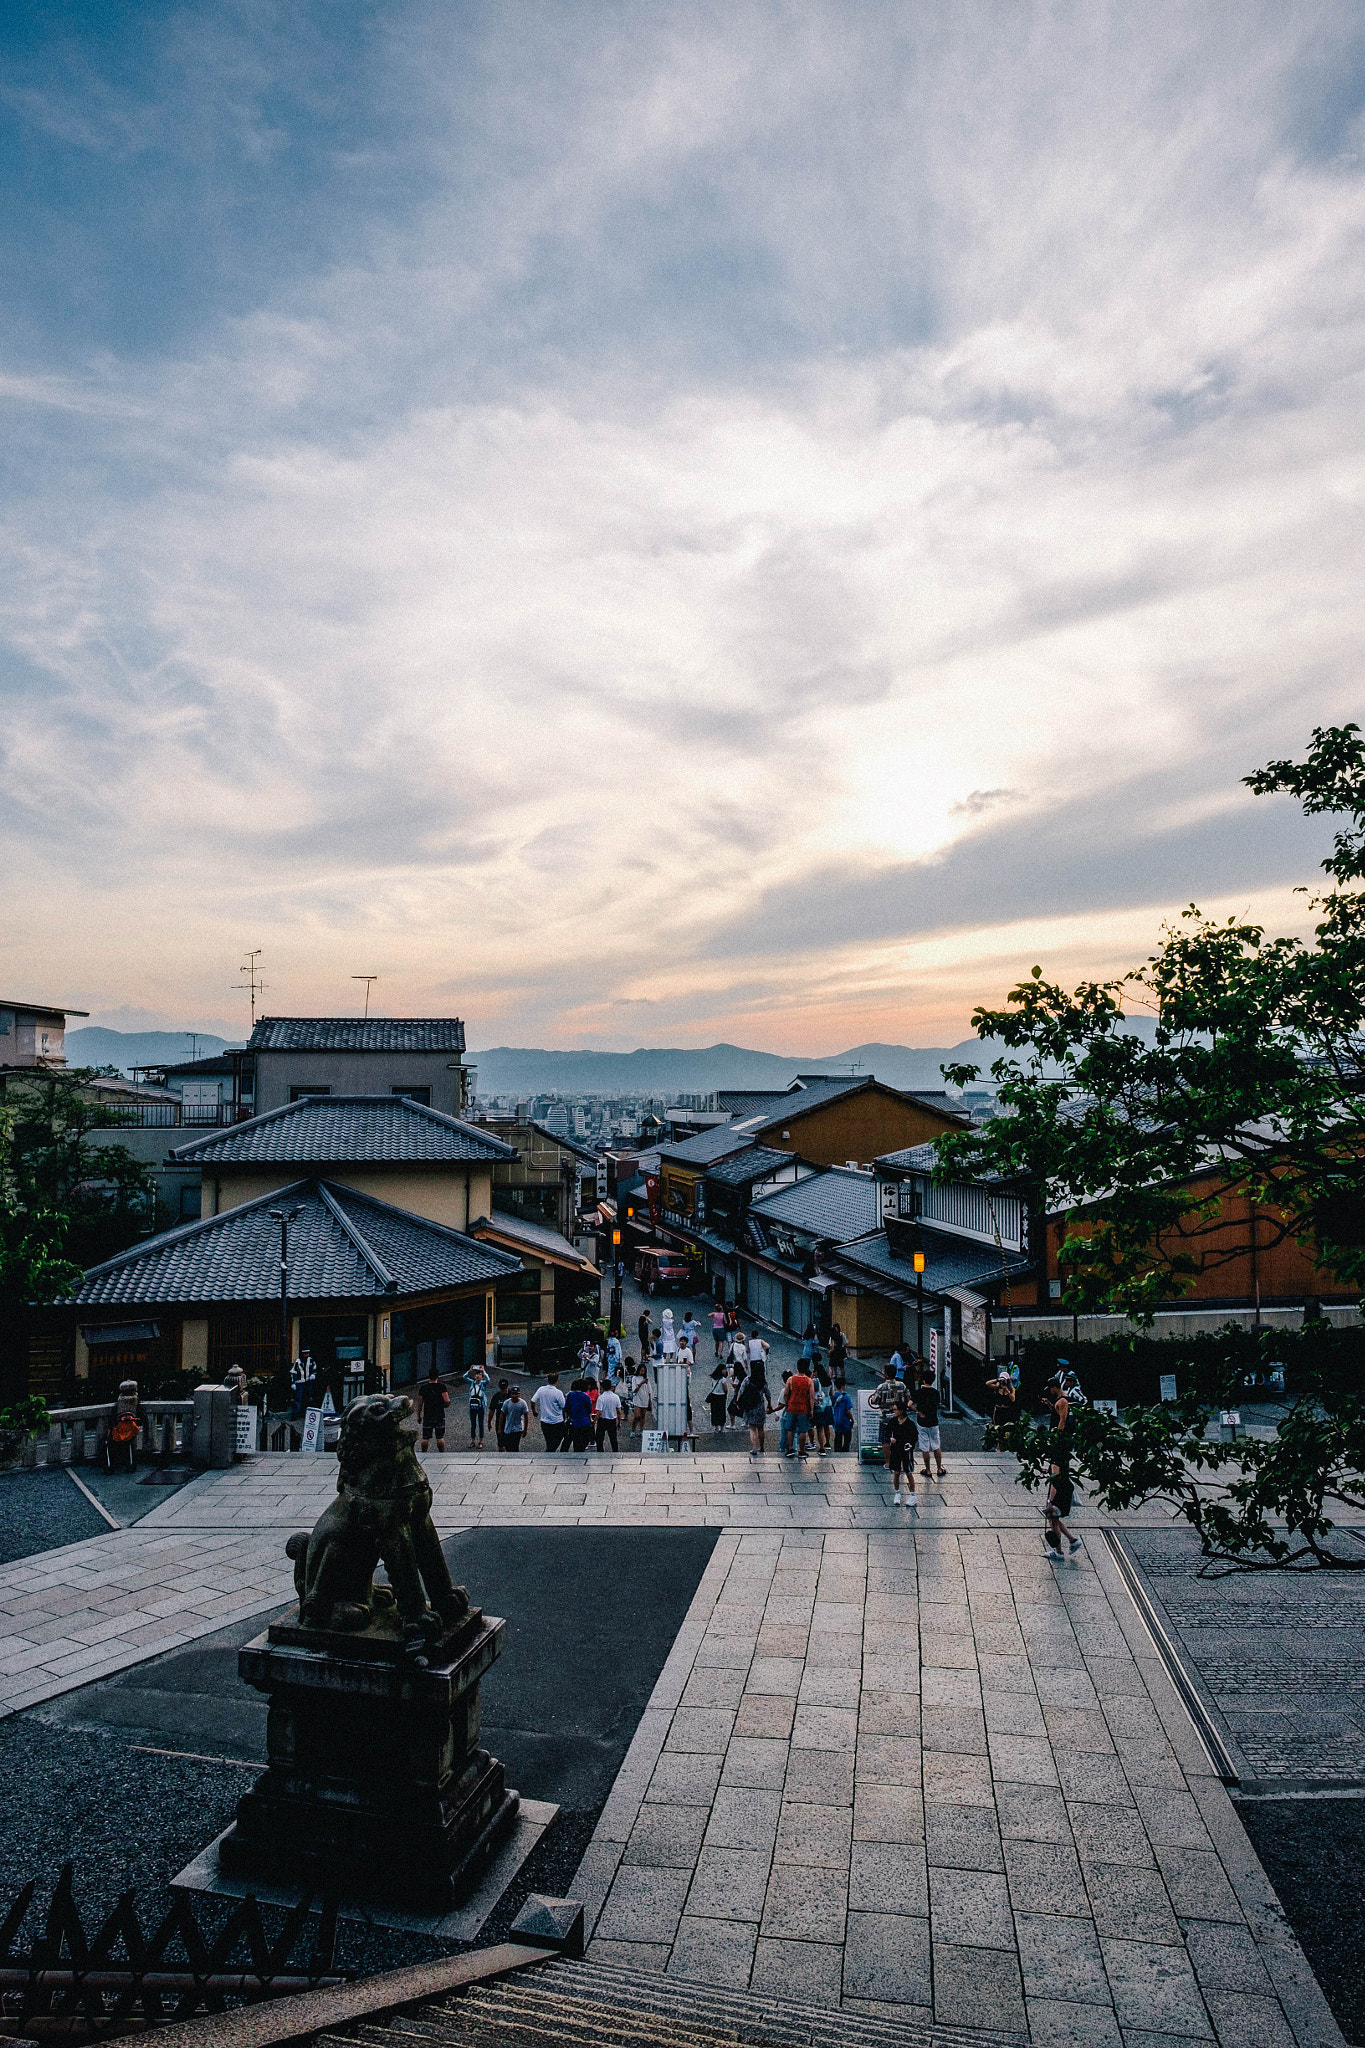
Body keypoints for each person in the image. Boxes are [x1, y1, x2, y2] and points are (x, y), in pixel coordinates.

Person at [885, 1391, 919, 1509]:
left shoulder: (910, 1424)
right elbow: (887, 1431)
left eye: (895, 1409)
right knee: (896, 1472)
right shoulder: (893, 1421)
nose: (894, 1412)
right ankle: (897, 1492)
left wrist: (910, 1445)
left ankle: (913, 1494)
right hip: (895, 1449)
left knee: (908, 1471)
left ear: (901, 1410)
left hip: (905, 1450)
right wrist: (890, 1438)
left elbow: (915, 1437)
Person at [740, 1356, 773, 1459]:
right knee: (760, 1428)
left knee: (752, 1428)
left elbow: (741, 1392)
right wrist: (769, 1404)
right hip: (759, 1406)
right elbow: (768, 1394)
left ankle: (754, 1447)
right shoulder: (762, 1382)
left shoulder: (747, 1380)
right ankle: (762, 1447)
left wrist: (739, 1403)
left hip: (749, 1406)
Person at [915, 1364, 946, 1477]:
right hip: (933, 1421)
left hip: (922, 1422)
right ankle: (939, 1468)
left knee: (925, 1447)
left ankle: (927, 1470)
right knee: (936, 1445)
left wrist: (917, 1411)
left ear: (923, 1379)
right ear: (933, 1380)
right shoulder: (936, 1393)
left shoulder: (919, 1392)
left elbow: (909, 1404)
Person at [784, 1361, 816, 1461]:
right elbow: (811, 1397)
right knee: (803, 1430)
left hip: (792, 1407)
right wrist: (811, 1410)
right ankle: (801, 1450)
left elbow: (786, 1393)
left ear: (797, 1367)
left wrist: (787, 1403)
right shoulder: (809, 1381)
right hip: (803, 1408)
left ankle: (790, 1449)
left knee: (790, 1429)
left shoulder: (790, 1379)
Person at [531, 1371, 567, 1452]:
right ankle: (552, 1452)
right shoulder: (558, 1392)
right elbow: (563, 1405)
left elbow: (533, 1401)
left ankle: (550, 1453)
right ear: (557, 1381)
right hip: (557, 1421)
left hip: (545, 1421)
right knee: (562, 1437)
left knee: (549, 1440)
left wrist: (534, 1411)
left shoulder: (541, 1389)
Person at [418, 1366, 450, 1453]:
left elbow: (420, 1402)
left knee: (425, 1437)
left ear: (429, 1376)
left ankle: (423, 1453)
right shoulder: (441, 1387)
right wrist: (444, 1406)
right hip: (439, 1413)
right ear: (438, 1376)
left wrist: (419, 1414)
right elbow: (447, 1400)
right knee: (440, 1437)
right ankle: (441, 1453)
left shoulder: (423, 1388)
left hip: (428, 1414)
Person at [464, 1362, 491, 1447]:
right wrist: (470, 1370)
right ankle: (472, 1440)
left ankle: (481, 1441)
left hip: (481, 1406)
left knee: (481, 1423)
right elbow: (464, 1377)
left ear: (482, 1377)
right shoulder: (472, 1382)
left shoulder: (483, 1383)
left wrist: (484, 1371)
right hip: (472, 1405)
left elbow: (488, 1380)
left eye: (480, 1375)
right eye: (477, 1374)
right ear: (475, 1376)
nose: (478, 1376)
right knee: (473, 1424)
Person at [988, 1373, 1018, 1447]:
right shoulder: (997, 1388)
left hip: (1007, 1410)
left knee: (1007, 1427)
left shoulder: (1011, 1389)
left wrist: (1007, 1391)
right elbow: (987, 1383)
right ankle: (998, 1443)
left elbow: (1013, 1399)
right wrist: (998, 1380)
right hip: (998, 1410)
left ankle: (1006, 1444)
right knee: (997, 1426)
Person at [565, 1378, 594, 1452]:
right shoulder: (586, 1397)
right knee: (584, 1441)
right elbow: (589, 1410)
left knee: (576, 1441)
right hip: (584, 1422)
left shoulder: (570, 1395)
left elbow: (567, 1408)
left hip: (574, 1421)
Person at [595, 1377, 623, 1451]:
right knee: (613, 1439)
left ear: (602, 1387)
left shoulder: (601, 1398)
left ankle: (600, 1453)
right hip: (612, 1420)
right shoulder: (616, 1397)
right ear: (611, 1387)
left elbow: (599, 1412)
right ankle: (615, 1453)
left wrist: (595, 1421)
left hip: (602, 1420)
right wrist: (619, 1421)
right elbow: (619, 1411)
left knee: (599, 1439)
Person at [501, 1385, 529, 1451]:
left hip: (518, 1428)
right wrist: (500, 1428)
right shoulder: (506, 1403)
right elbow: (501, 1415)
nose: (514, 1396)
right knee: (508, 1447)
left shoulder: (523, 1403)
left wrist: (525, 1429)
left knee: (515, 1446)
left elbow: (526, 1416)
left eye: (516, 1394)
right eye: (513, 1394)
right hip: (508, 1428)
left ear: (519, 1394)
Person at [628, 1359, 652, 1434]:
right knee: (637, 1416)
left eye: (643, 1371)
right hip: (637, 1398)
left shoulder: (647, 1379)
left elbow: (649, 1390)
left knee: (643, 1416)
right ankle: (633, 1429)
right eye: (641, 1371)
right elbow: (634, 1390)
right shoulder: (634, 1378)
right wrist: (641, 1383)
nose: (642, 1372)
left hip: (645, 1398)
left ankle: (641, 1429)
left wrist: (650, 1401)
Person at [831, 1383, 855, 1452]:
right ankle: (845, 1451)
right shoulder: (846, 1396)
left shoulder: (833, 1396)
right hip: (845, 1421)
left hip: (836, 1419)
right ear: (842, 1386)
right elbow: (848, 1410)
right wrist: (852, 1419)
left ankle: (837, 1451)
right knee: (847, 1438)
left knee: (838, 1437)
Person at [492, 1378, 512, 1451]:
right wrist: (489, 1422)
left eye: (504, 1389)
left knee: (510, 1443)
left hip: (510, 1421)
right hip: (499, 1422)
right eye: (502, 1389)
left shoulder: (512, 1395)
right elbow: (492, 1409)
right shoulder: (496, 1396)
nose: (503, 1391)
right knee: (500, 1442)